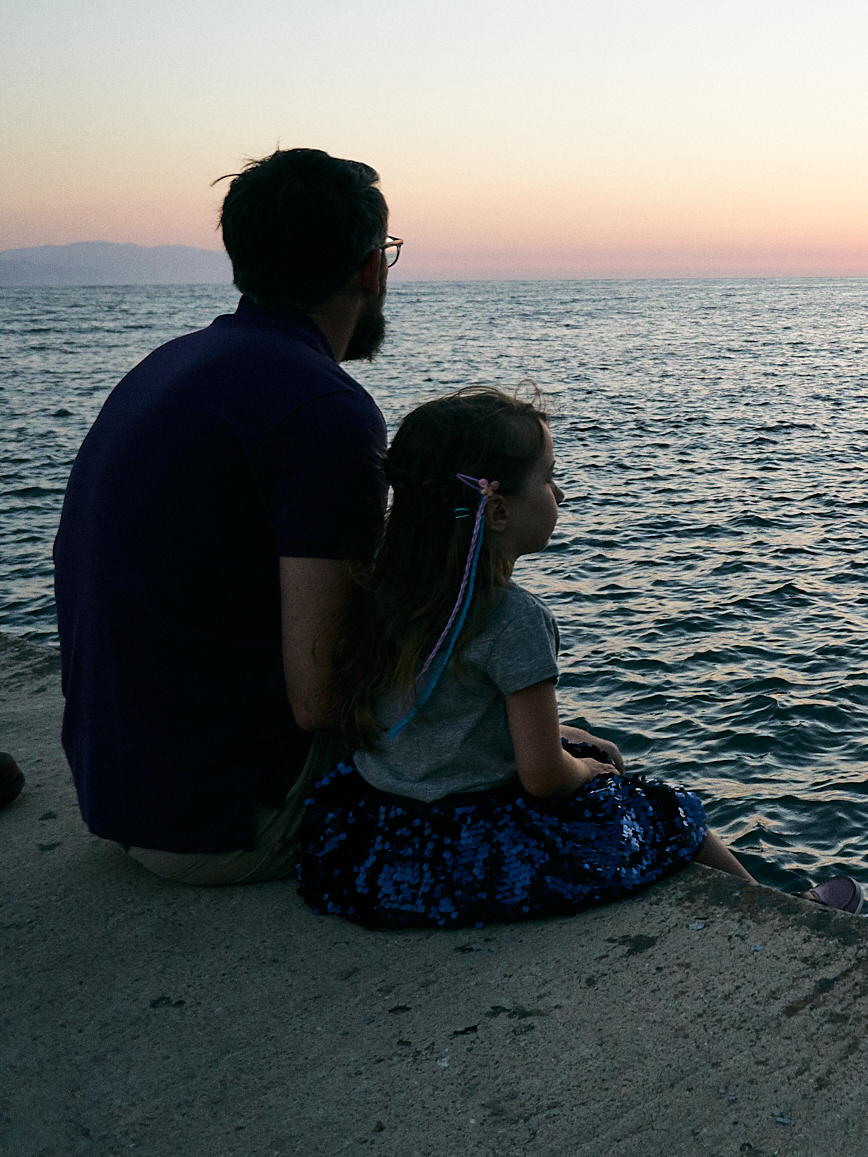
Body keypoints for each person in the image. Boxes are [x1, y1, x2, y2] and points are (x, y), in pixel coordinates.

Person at [295, 386, 762, 929]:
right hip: (476, 845)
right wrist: (584, 767)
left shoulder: (383, 593)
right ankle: (785, 915)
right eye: (548, 478)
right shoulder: (513, 618)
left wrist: (571, 737)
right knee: (667, 813)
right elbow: (542, 776)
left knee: (591, 747)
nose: (559, 494)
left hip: (385, 833)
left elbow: (452, 716)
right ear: (496, 512)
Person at [54, 148, 394, 884]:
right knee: (559, 775)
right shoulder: (326, 411)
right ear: (370, 268)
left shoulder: (170, 365)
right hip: (230, 822)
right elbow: (321, 696)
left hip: (123, 795)